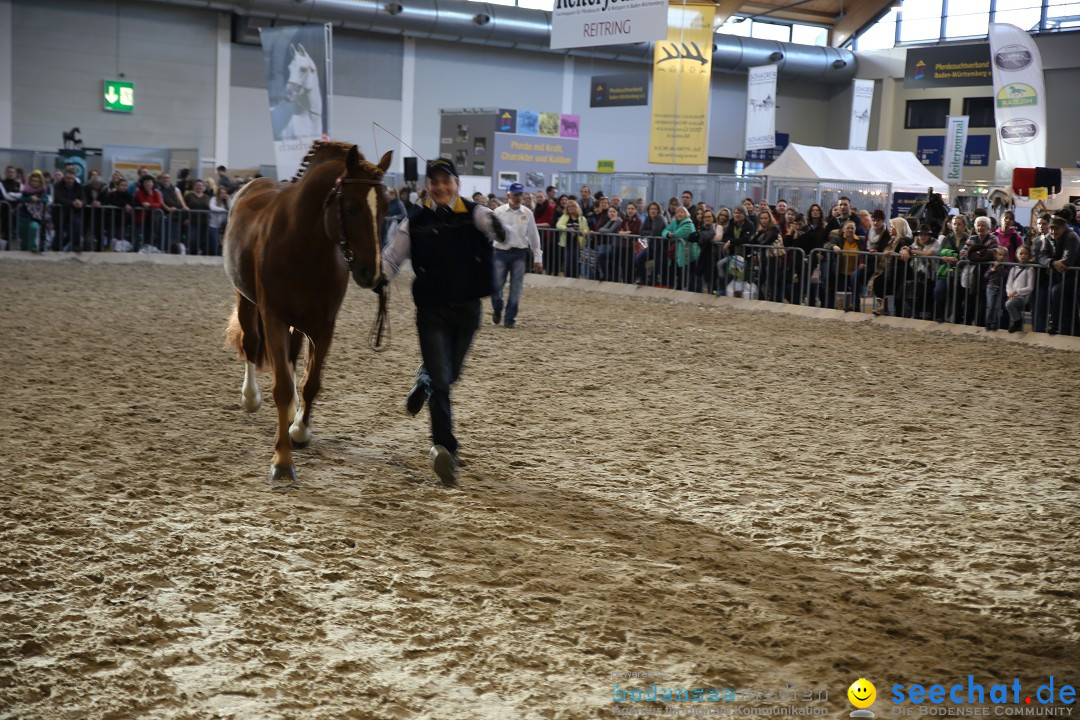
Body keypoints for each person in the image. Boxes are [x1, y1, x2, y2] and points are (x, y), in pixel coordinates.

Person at [381, 158, 504, 483]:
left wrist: (499, 226)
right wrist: (378, 275)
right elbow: (393, 256)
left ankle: (424, 378)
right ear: (428, 187)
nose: (440, 187)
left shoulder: (474, 213)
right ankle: (444, 448)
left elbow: (493, 226)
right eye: (434, 182)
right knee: (441, 382)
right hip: (431, 311)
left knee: (449, 377)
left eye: (445, 181)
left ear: (456, 183)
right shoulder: (415, 221)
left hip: (467, 311)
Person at [491, 182, 543, 328]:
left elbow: (533, 235)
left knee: (516, 288)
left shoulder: (527, 213)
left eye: (520, 194)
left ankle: (509, 319)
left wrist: (537, 256)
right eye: (516, 194)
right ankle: (498, 307)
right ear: (509, 195)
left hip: (519, 253)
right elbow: (490, 232)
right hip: (500, 252)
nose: (518, 197)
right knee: (496, 286)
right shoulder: (498, 212)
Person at [1046, 216, 1080, 336]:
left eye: (1056, 229)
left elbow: (1067, 261)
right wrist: (1052, 262)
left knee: (1058, 293)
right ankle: (1068, 331)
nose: (1053, 232)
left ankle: (1055, 324)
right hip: (1061, 276)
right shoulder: (1049, 237)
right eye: (1051, 229)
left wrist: (1051, 262)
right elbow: (1041, 256)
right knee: (1067, 304)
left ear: (1063, 228)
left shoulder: (1072, 237)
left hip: (1074, 276)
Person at [17, 171, 50, 252]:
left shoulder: (42, 191)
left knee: (33, 228)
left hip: (36, 217)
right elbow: (21, 199)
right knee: (24, 238)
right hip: (24, 216)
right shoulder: (26, 190)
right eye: (32, 181)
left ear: (40, 182)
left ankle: (32, 248)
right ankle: (23, 252)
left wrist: (38, 200)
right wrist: (30, 199)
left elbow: (46, 200)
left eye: (37, 181)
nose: (34, 183)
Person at [1005, 245, 1035, 333]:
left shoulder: (1030, 269)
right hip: (1013, 295)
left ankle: (1017, 321)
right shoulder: (1014, 268)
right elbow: (1009, 283)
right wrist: (1009, 293)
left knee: (1009, 305)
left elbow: (1030, 287)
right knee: (1012, 308)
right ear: (1017, 255)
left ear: (1029, 256)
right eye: (1021, 253)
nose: (1023, 256)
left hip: (1023, 296)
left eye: (1026, 254)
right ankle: (1018, 327)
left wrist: (1017, 292)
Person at [555, 199, 587, 278]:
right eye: (569, 207)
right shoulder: (565, 217)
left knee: (576, 261)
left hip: (578, 243)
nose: (571, 208)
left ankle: (576, 277)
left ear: (577, 208)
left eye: (573, 206)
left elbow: (586, 229)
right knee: (568, 262)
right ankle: (567, 277)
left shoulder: (582, 218)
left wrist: (582, 232)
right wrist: (567, 229)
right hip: (567, 243)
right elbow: (558, 225)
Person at [983, 245, 1009, 331]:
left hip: (1001, 288)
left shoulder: (1006, 266)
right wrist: (993, 269)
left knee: (997, 307)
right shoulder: (992, 265)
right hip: (991, 287)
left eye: (1004, 255)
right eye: (1000, 255)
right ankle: (988, 322)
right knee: (990, 306)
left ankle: (994, 324)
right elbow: (986, 275)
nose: (1002, 257)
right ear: (996, 255)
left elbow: (1005, 275)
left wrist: (998, 268)